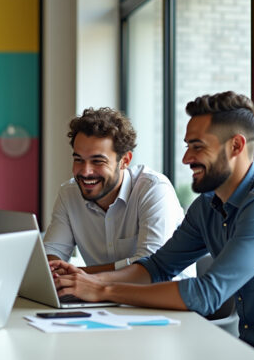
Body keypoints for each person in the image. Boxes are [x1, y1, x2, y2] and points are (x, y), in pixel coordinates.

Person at [52, 92, 254, 360]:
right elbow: (157, 266)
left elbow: (207, 294)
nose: (186, 159)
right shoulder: (208, 205)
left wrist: (102, 288)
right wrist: (87, 282)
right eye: (187, 146)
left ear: (236, 146)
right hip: (253, 353)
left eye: (198, 147)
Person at [43, 107, 185, 273]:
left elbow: (151, 265)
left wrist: (81, 275)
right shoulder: (69, 194)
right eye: (79, 160)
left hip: (161, 296)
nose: (85, 171)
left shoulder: (154, 189)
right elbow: (52, 254)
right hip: (103, 297)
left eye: (97, 161)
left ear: (125, 160)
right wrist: (56, 270)